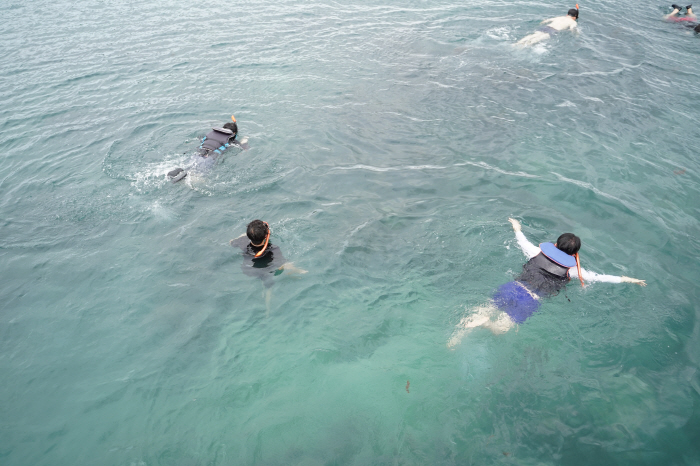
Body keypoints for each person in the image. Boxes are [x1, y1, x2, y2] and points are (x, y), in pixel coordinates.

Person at [447, 218, 646, 347]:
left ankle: (457, 337)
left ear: (556, 244)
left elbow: (521, 240)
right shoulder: (574, 271)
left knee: (482, 310)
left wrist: (517, 227)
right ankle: (488, 325)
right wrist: (628, 279)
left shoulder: (536, 252)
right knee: (500, 330)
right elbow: (600, 277)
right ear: (575, 254)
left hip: (513, 287)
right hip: (531, 300)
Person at [230, 220, 307, 311]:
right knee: (271, 280)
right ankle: (268, 308)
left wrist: (242, 236)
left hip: (248, 269)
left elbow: (231, 242)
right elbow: (283, 264)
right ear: (266, 235)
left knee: (262, 277)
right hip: (266, 269)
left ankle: (266, 309)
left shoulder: (242, 241)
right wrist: (292, 268)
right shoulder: (273, 248)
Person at [168, 115, 249, 183]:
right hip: (211, 156)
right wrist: (244, 140)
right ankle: (186, 175)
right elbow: (244, 148)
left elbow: (200, 138)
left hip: (199, 152)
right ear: (233, 133)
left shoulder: (210, 134)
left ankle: (181, 171)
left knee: (190, 166)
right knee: (199, 176)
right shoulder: (232, 139)